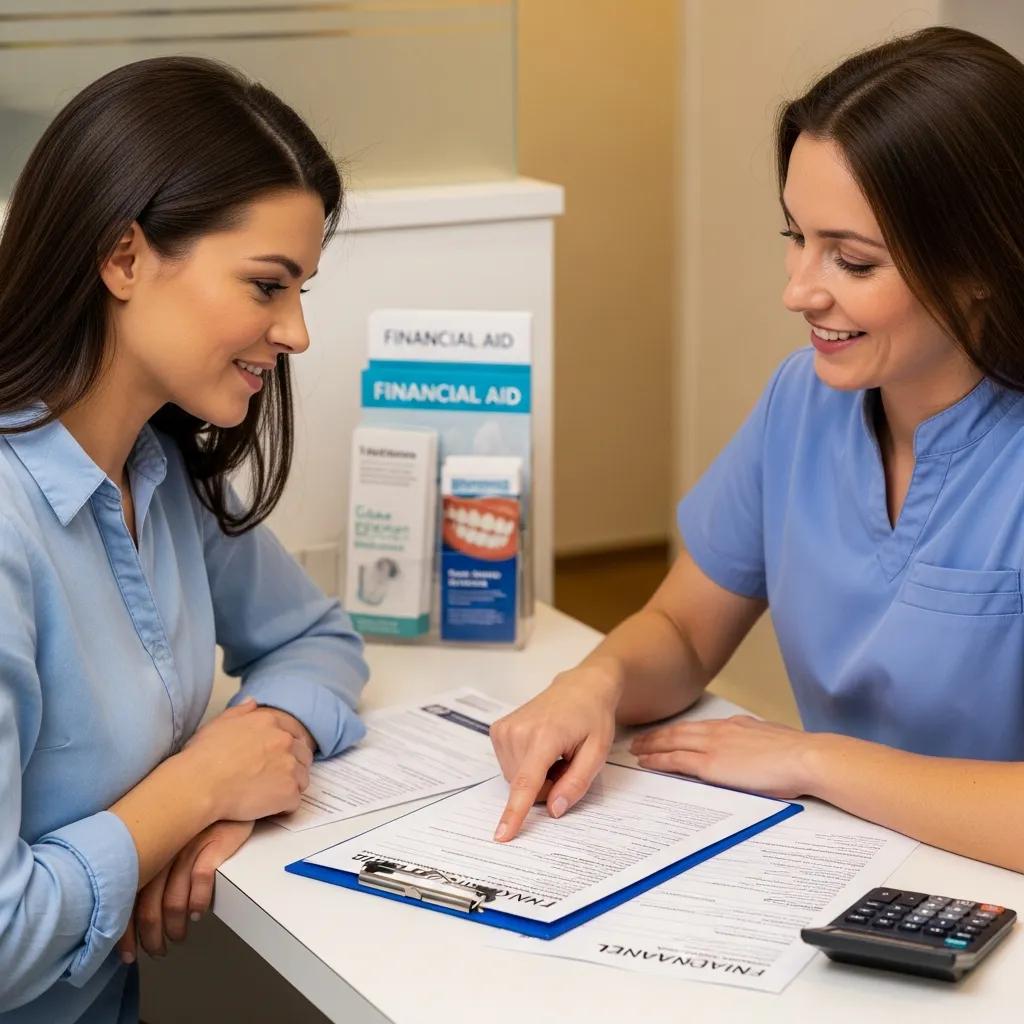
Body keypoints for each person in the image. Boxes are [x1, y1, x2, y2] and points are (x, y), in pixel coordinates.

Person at [491, 25, 1024, 875]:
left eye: (851, 261)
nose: (798, 291)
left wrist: (811, 759)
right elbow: (682, 630)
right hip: (846, 866)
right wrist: (594, 681)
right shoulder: (803, 401)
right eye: (795, 236)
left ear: (981, 263)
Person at [0, 57, 369, 1022]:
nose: (296, 332)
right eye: (266, 285)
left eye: (302, 289)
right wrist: (186, 798)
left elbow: (317, 640)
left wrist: (264, 737)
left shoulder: (161, 472)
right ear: (123, 258)